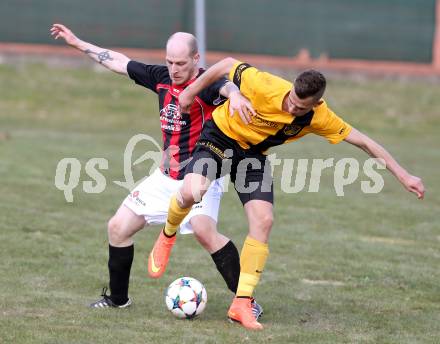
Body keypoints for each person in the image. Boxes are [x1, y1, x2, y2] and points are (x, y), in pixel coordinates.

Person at [148, 57, 426, 330]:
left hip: (252, 156)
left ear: (315, 104)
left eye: (299, 105)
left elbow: (363, 141)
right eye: (291, 98)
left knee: (264, 220)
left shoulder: (319, 116)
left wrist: (403, 175)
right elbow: (224, 64)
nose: (291, 105)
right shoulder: (264, 85)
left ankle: (241, 304)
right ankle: (168, 233)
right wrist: (191, 93)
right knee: (192, 192)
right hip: (219, 137)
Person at [49, 25, 263, 318]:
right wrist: (76, 42)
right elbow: (119, 62)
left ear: (196, 59)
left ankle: (246, 302)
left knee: (203, 230)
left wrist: (235, 95)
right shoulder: (161, 79)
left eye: (181, 63)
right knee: (117, 228)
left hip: (200, 176)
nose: (174, 69)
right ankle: (118, 300)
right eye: (169, 62)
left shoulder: (207, 84)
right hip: (165, 178)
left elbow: (225, 85)